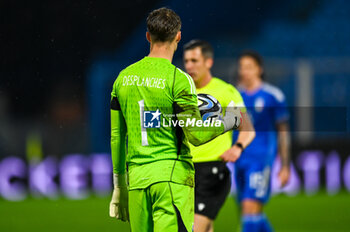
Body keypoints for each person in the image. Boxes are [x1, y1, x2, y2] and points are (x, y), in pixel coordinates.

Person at [108, 8, 242, 232]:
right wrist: (229, 120)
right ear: (178, 36)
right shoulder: (179, 79)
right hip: (171, 180)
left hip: (137, 183)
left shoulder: (123, 78)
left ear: (148, 36)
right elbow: (196, 134)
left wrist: (119, 186)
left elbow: (116, 137)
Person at [183, 40, 256, 232]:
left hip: (212, 170)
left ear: (208, 62)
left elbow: (247, 129)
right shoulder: (181, 92)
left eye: (194, 60)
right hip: (184, 171)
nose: (189, 65)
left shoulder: (224, 92)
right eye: (186, 61)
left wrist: (237, 147)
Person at [232, 50, 291, 232]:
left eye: (249, 67)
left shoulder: (272, 95)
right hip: (240, 158)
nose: (244, 71)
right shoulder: (234, 95)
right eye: (242, 67)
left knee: (250, 207)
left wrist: (285, 166)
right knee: (248, 211)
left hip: (260, 158)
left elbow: (283, 132)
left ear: (259, 69)